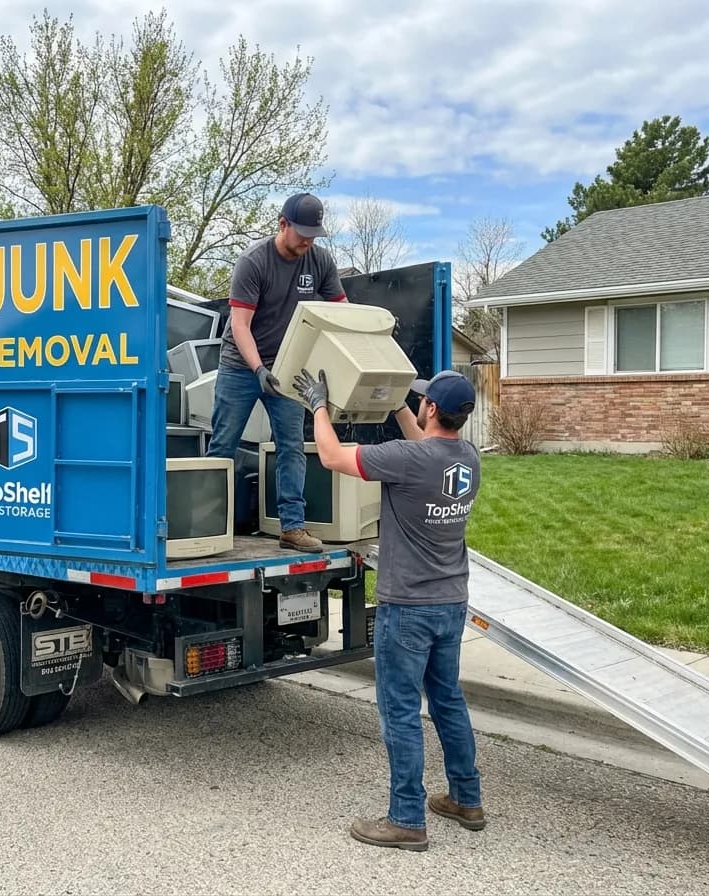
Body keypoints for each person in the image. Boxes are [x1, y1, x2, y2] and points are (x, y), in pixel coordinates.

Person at [293, 367, 484, 852]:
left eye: (422, 400)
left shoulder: (406, 460)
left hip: (408, 608)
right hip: (450, 601)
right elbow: (425, 443)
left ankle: (406, 819)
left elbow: (333, 456)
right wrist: (398, 403)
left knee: (399, 710)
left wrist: (318, 403)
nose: (418, 405)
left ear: (434, 409)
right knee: (447, 701)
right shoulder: (466, 457)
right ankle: (467, 798)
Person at [206, 192, 346, 552]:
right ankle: (207, 526)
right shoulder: (253, 262)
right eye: (302, 233)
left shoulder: (319, 260)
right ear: (282, 224)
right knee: (224, 446)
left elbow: (342, 310)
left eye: (313, 234)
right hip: (241, 365)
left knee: (292, 446)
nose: (307, 241)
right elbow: (239, 325)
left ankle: (292, 528)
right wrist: (258, 369)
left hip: (288, 368)